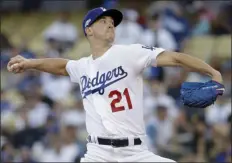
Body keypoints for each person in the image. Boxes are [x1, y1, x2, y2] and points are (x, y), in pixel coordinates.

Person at [7, 7, 224, 162]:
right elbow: (62, 66)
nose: (110, 23)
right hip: (97, 153)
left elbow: (175, 58)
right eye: (103, 21)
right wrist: (29, 63)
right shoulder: (83, 66)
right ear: (88, 30)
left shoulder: (129, 53)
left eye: (112, 22)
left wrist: (212, 71)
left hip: (135, 153)